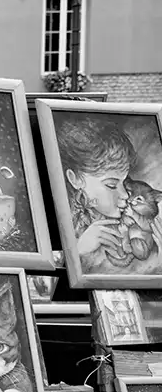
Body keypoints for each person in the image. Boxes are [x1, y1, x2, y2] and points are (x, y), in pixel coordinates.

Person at [56, 114, 159, 274]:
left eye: (124, 183)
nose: (125, 195)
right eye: (111, 185)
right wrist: (78, 250)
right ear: (75, 179)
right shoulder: (63, 215)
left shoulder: (126, 218)